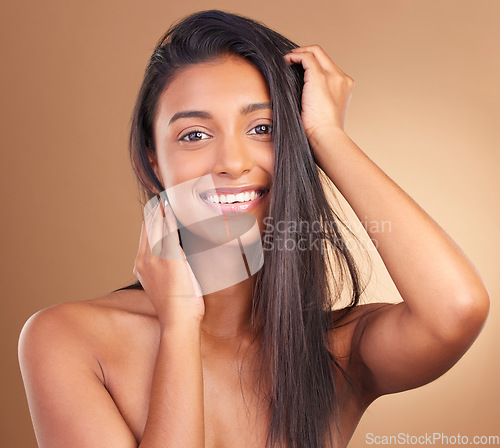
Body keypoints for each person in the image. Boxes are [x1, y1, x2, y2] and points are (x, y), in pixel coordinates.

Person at [18, 9, 490, 448]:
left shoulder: (335, 352)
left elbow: (456, 308)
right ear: (152, 163)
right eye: (195, 135)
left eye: (263, 128)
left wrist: (329, 137)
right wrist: (180, 323)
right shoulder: (67, 340)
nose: (232, 163)